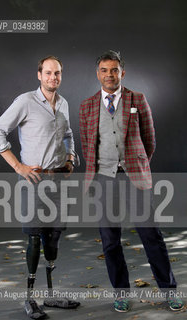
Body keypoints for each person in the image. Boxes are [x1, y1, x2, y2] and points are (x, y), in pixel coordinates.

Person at [79, 50, 184, 312]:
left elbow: (149, 140)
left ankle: (169, 291)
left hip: (134, 178)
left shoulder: (137, 98)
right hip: (103, 180)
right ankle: (121, 293)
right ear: (97, 74)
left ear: (122, 73)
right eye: (104, 70)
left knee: (151, 235)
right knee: (110, 241)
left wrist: (135, 166)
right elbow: (87, 146)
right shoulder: (87, 106)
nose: (109, 75)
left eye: (114, 70)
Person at [0, 56, 80, 319]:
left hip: (59, 180)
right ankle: (29, 299)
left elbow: (68, 134)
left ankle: (50, 297)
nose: (53, 78)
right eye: (48, 73)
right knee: (34, 238)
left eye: (58, 73)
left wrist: (71, 157)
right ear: (39, 75)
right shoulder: (25, 101)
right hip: (34, 182)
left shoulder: (63, 103)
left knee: (53, 239)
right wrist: (18, 166)